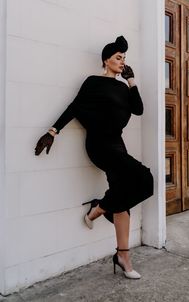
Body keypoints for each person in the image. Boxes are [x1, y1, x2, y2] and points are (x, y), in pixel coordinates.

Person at [35, 36, 154, 279]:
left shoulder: (123, 87)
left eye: (124, 59)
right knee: (144, 178)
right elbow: (74, 107)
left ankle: (122, 254)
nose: (122, 62)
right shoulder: (93, 82)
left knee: (122, 197)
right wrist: (52, 132)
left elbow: (139, 109)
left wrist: (131, 80)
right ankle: (99, 208)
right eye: (118, 58)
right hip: (99, 145)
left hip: (117, 145)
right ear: (106, 60)